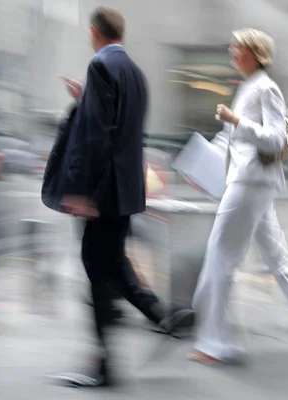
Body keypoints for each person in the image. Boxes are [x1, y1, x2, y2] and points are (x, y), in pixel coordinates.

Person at [52, 7, 194, 387]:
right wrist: (86, 100)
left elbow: (96, 136)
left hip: (102, 193)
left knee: (97, 269)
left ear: (94, 32)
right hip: (126, 190)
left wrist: (82, 192)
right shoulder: (135, 73)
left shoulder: (100, 67)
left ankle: (103, 364)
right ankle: (161, 317)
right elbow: (118, 126)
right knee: (112, 262)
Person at [190, 28, 288, 365]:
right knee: (279, 260)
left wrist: (236, 120)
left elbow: (274, 141)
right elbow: (235, 140)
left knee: (220, 258)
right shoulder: (248, 87)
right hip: (249, 183)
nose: (231, 50)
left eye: (238, 47)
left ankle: (212, 343)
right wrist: (202, 166)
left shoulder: (266, 88)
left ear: (256, 53)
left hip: (250, 185)